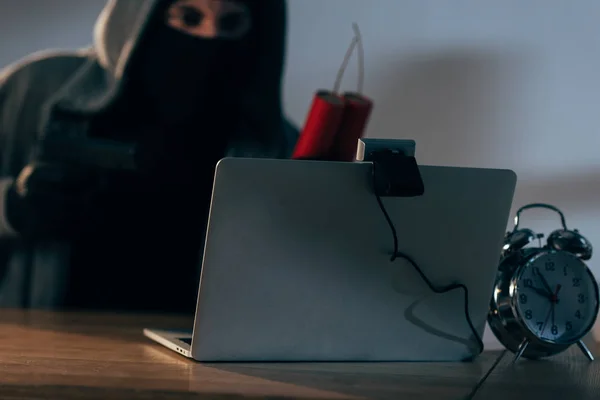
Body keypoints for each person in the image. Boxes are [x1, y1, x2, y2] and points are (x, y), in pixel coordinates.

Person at [0, 0, 298, 312]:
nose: (209, 37)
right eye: (188, 17)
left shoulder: (274, 146)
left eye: (232, 23)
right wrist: (12, 206)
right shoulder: (34, 90)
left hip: (189, 354)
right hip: (37, 347)